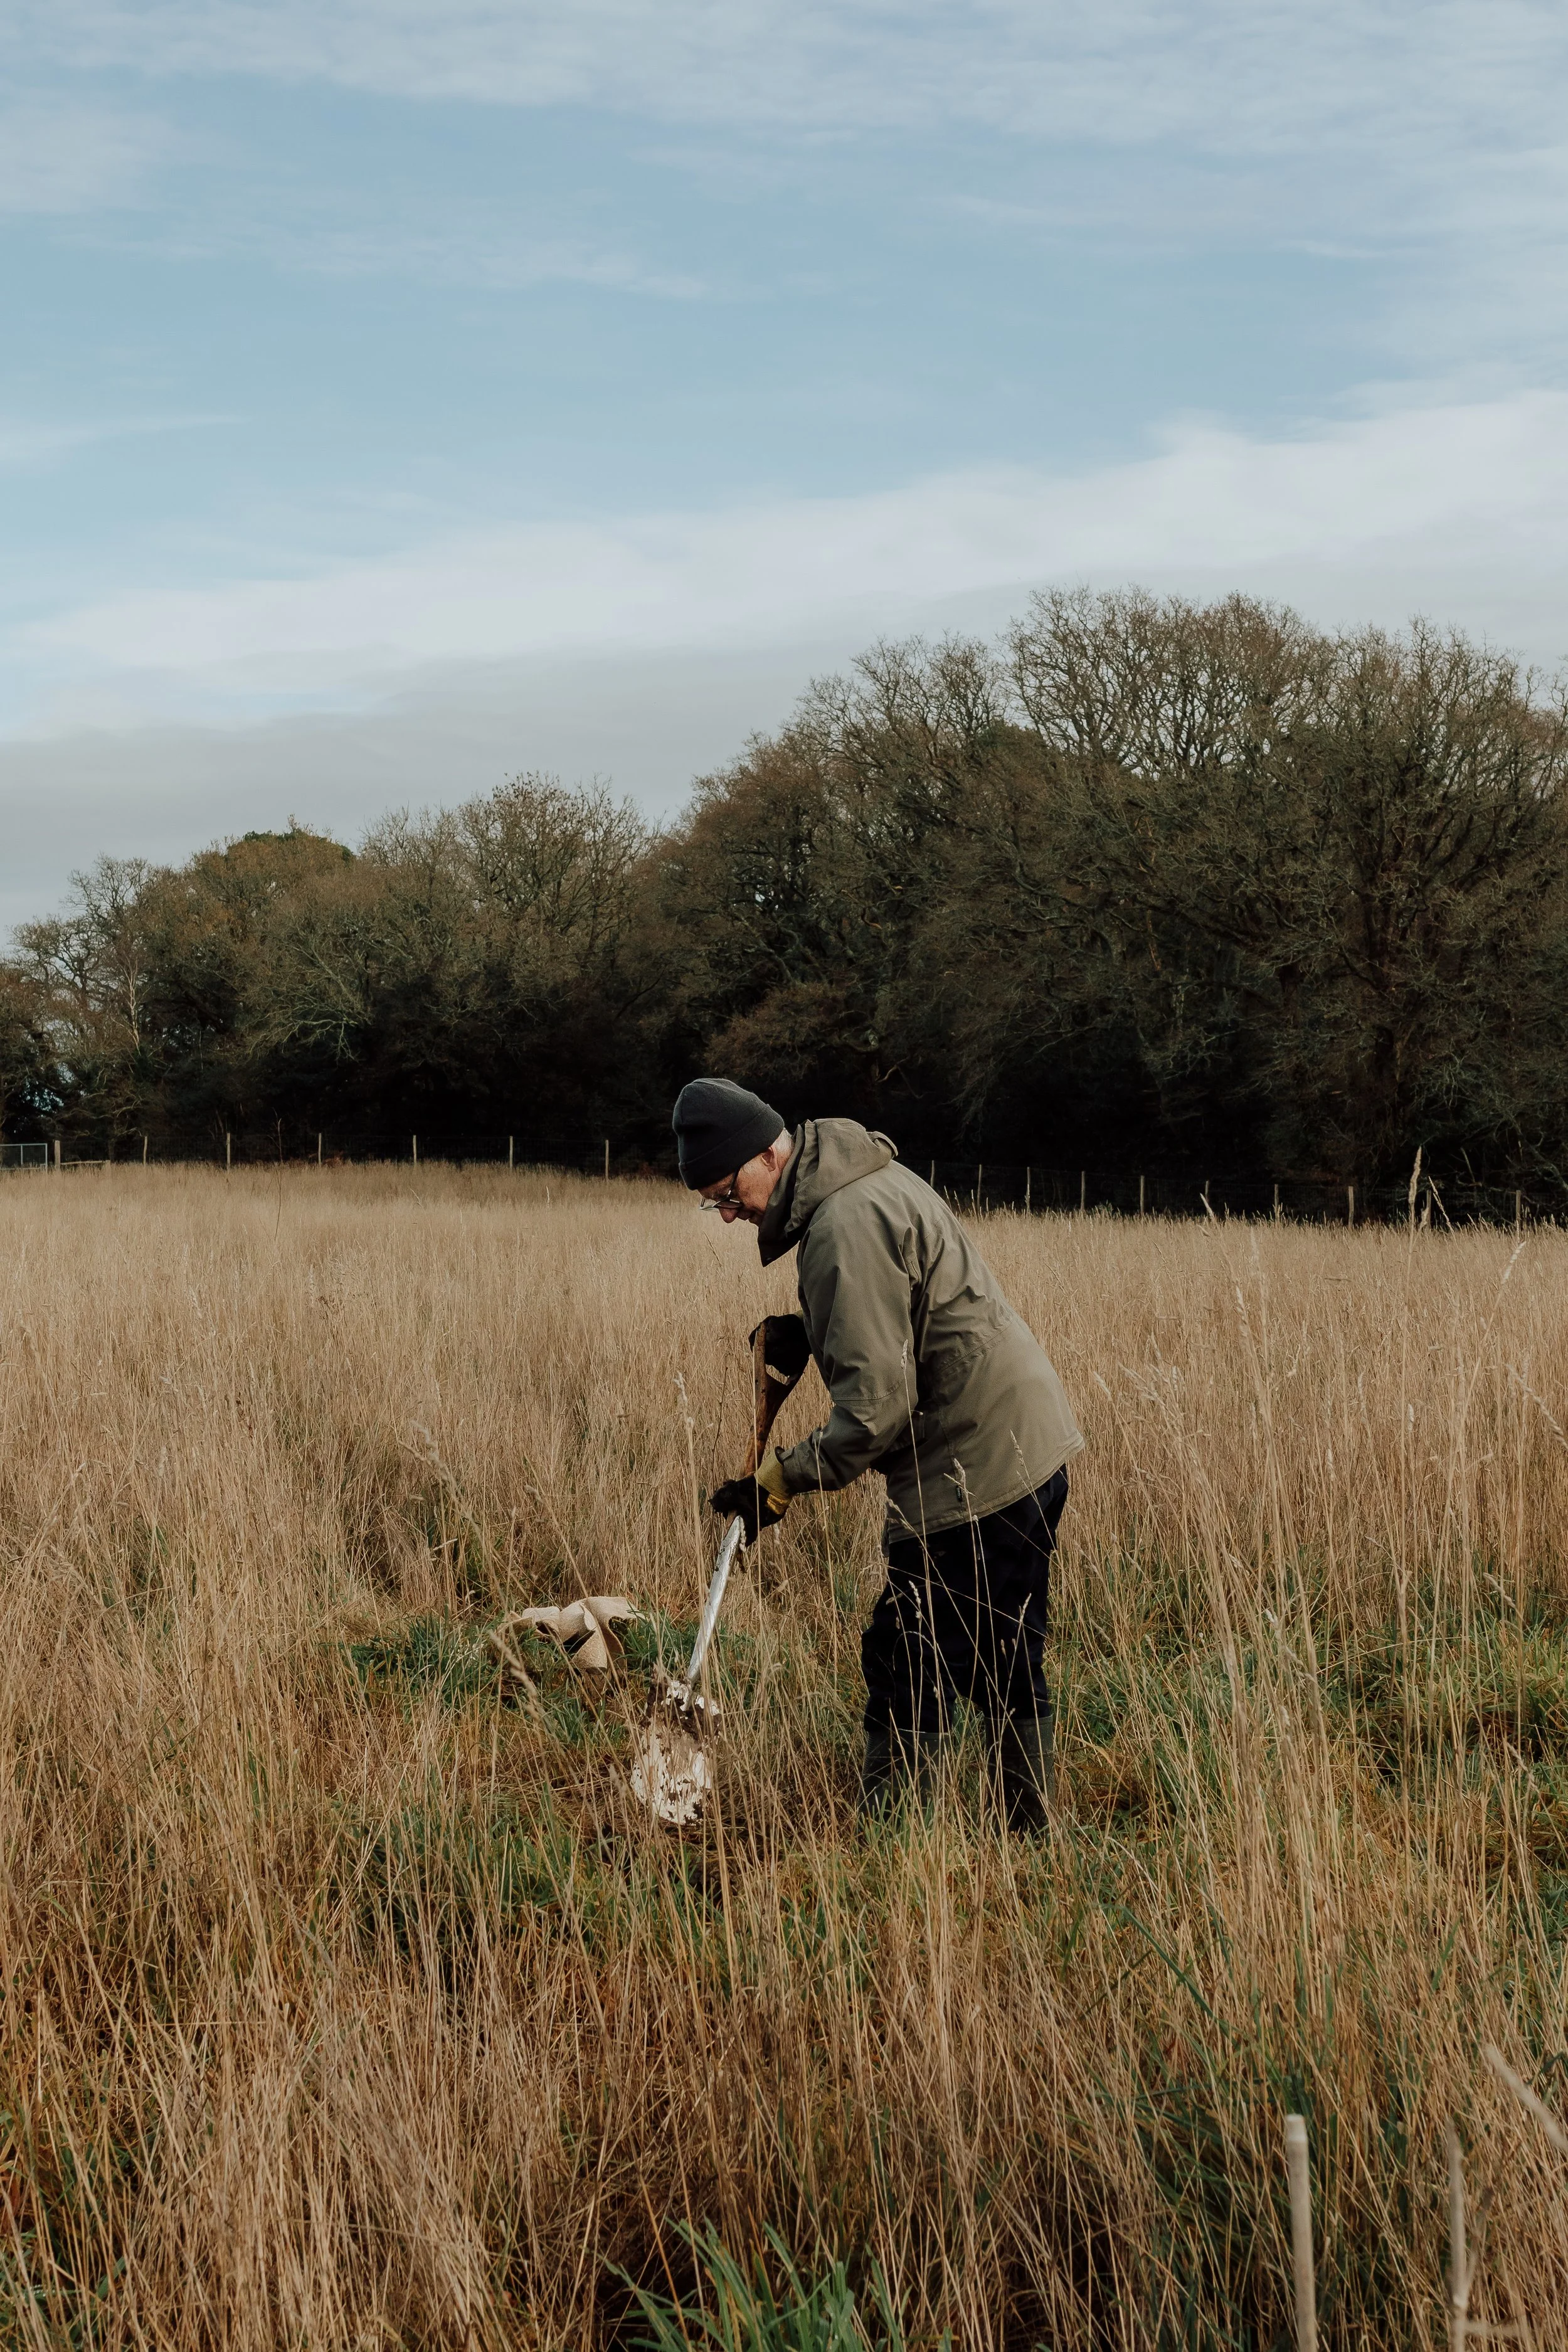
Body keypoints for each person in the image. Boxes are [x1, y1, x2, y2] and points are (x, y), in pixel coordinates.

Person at [672, 1076, 1083, 1831]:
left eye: (729, 1193)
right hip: (1025, 1442)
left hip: (975, 1465)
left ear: (769, 1154)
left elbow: (873, 1418)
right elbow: (902, 1313)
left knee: (909, 1657)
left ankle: (898, 1847)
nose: (730, 1214)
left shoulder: (839, 1228)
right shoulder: (863, 1179)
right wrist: (818, 1328)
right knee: (1001, 1654)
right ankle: (1027, 1840)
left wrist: (777, 1482)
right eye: (714, 1203)